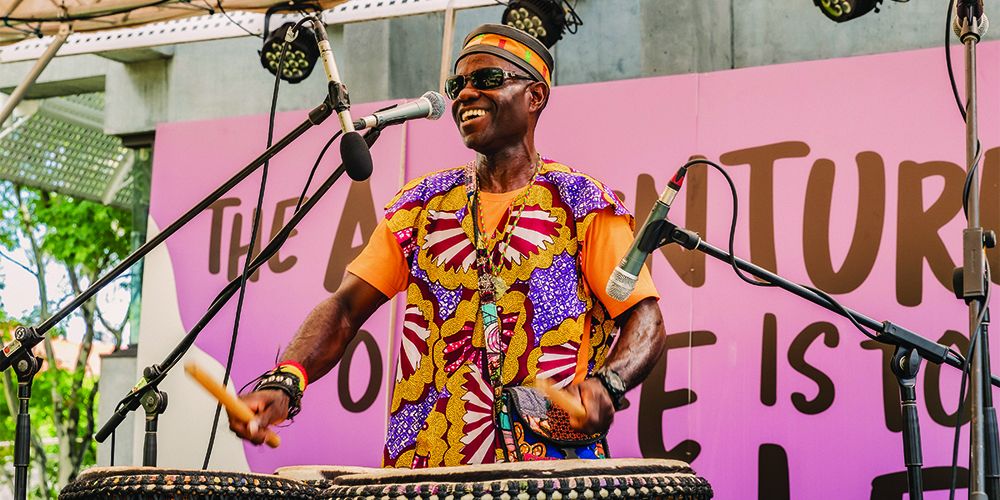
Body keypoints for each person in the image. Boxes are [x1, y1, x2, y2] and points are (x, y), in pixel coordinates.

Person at [229, 23, 666, 468]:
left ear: (535, 97)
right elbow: (344, 309)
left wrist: (608, 384)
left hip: (544, 470)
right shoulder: (422, 206)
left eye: (488, 80)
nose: (465, 94)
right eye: (458, 84)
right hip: (427, 470)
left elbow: (644, 316)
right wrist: (287, 380)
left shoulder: (582, 203)